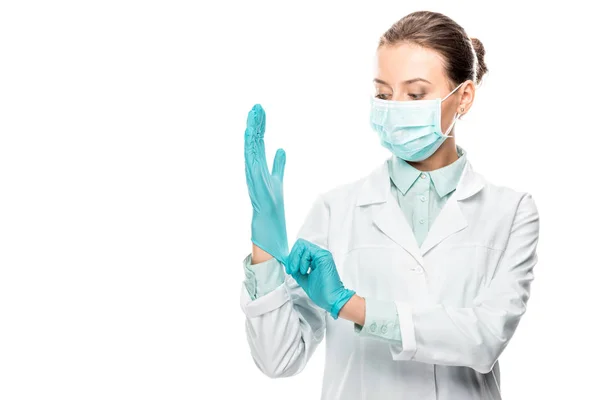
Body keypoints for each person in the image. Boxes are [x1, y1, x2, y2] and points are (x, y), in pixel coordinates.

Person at [240, 10, 540, 400]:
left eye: (415, 94)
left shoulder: (512, 211)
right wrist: (264, 251)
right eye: (383, 94)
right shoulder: (336, 210)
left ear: (463, 97)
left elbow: (483, 339)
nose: (395, 107)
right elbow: (278, 359)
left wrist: (352, 306)